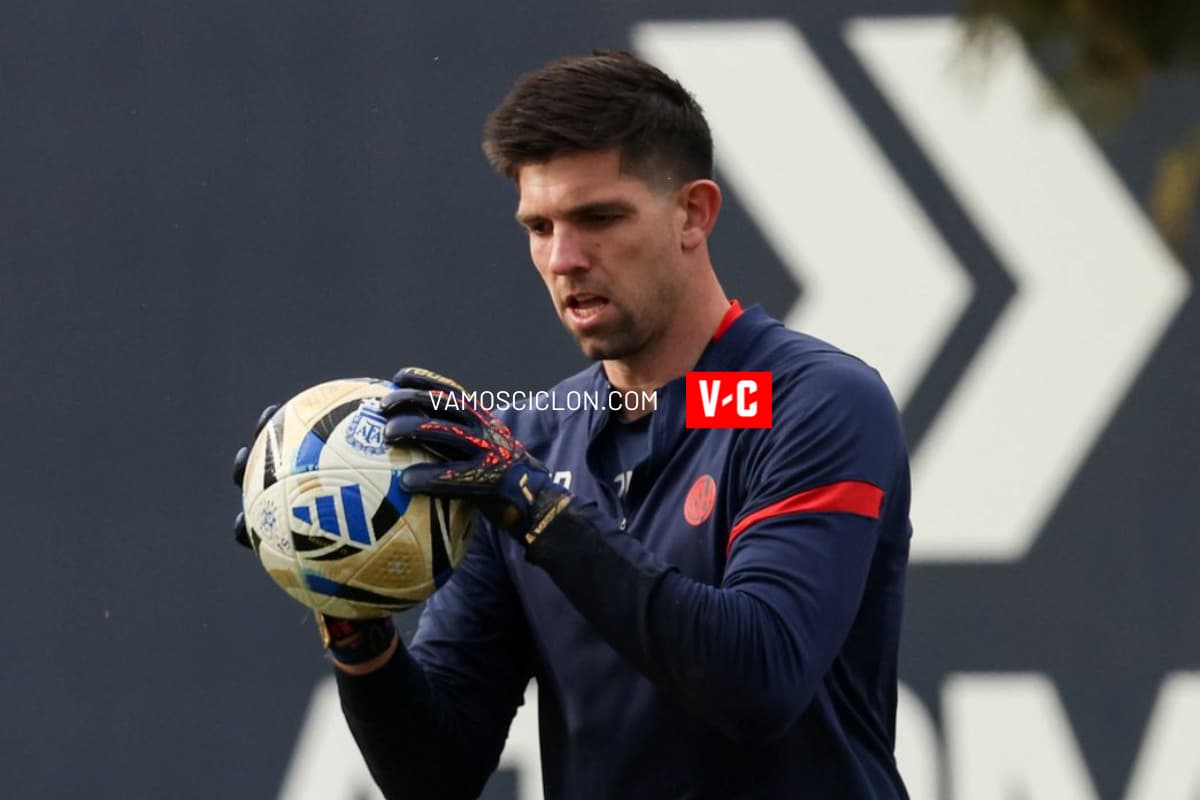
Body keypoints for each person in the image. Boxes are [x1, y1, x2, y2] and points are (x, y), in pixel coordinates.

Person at [235, 49, 912, 798]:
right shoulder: (530, 444)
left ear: (694, 213)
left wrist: (538, 511)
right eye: (539, 226)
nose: (563, 258)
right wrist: (349, 610)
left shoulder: (809, 402)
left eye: (598, 218)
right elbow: (437, 772)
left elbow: (757, 681)